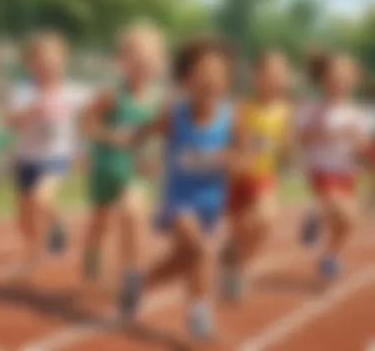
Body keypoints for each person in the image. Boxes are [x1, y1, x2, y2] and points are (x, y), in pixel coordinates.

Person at [119, 37, 236, 340]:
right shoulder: (175, 115)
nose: (210, 79)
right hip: (178, 202)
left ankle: (140, 283)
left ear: (226, 80)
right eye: (203, 72)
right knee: (202, 250)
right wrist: (139, 160)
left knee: (184, 259)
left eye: (218, 73)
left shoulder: (230, 120)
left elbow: (244, 155)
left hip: (211, 203)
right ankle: (199, 312)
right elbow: (141, 133)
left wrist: (233, 159)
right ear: (187, 79)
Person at [82, 22, 166, 280]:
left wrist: (158, 160)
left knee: (132, 213)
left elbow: (161, 137)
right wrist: (110, 135)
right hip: (106, 169)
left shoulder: (159, 101)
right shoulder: (111, 94)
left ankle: (130, 271)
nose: (142, 66)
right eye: (136, 59)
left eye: (148, 60)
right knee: (100, 222)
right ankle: (92, 251)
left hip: (135, 172)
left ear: (158, 63)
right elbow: (87, 124)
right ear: (123, 61)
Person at [7, 31, 90, 266]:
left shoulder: (75, 93)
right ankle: (33, 252)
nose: (47, 65)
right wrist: (31, 109)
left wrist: (84, 152)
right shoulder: (23, 91)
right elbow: (12, 121)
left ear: (63, 61)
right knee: (24, 220)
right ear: (30, 64)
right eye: (40, 61)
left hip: (57, 157)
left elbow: (88, 121)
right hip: (28, 159)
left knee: (41, 199)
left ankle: (57, 223)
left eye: (53, 60)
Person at [222, 51, 292, 301]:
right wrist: (238, 155)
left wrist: (285, 153)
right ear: (257, 77)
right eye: (270, 74)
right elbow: (230, 141)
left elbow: (285, 148)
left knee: (265, 220)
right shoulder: (242, 107)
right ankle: (233, 257)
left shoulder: (284, 111)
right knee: (242, 231)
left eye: (280, 75)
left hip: (263, 178)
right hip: (238, 179)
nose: (275, 80)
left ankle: (240, 270)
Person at [296, 52, 369, 278]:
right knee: (343, 213)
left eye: (345, 76)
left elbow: (364, 148)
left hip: (347, 173)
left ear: (353, 80)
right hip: (322, 171)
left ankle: (329, 256)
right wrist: (333, 133)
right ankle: (316, 216)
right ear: (324, 80)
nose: (340, 81)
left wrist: (362, 147)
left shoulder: (358, 114)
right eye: (335, 76)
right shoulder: (314, 109)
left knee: (348, 222)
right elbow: (303, 137)